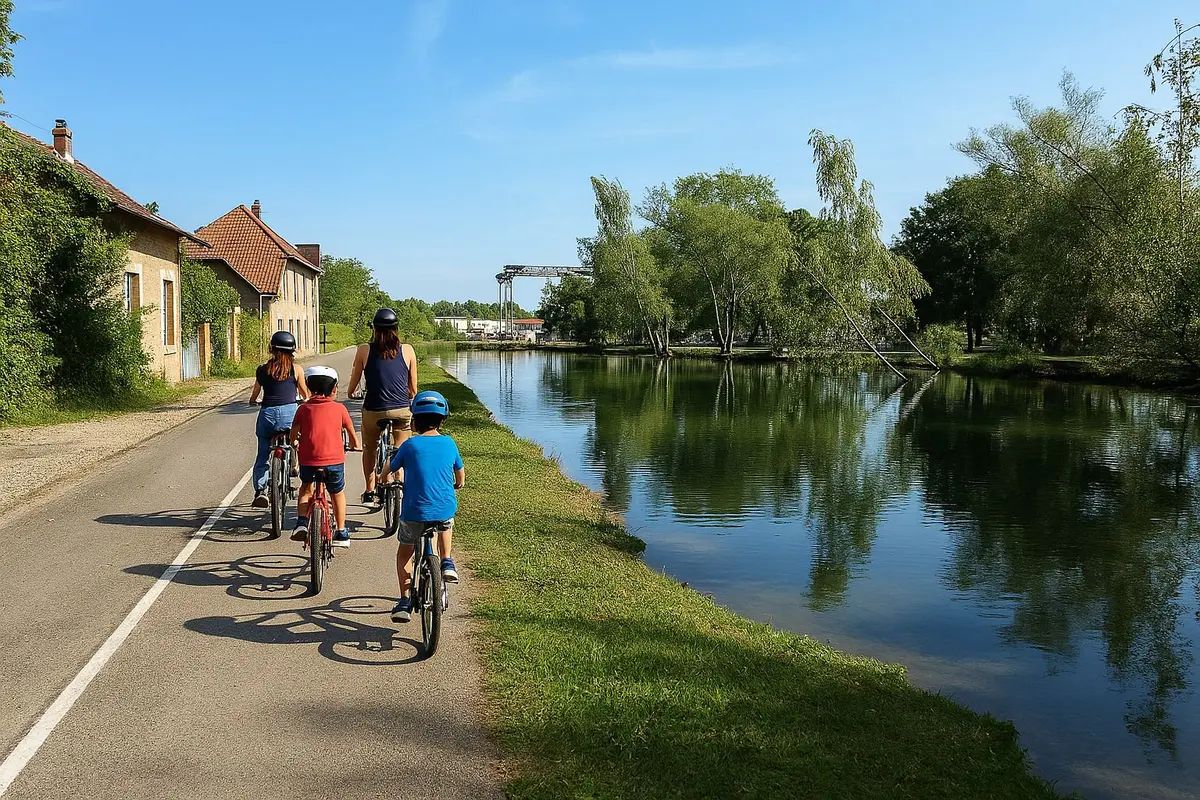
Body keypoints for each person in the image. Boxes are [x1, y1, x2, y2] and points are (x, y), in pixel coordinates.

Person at [379, 390, 464, 623]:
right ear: (442, 420)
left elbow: (391, 466)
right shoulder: (449, 443)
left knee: (405, 552)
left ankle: (404, 600)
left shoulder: (409, 445)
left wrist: (383, 479)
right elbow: (460, 475)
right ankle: (446, 560)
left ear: (414, 421)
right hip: (443, 508)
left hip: (414, 512)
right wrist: (458, 484)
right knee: (446, 522)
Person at [348, 308, 418, 507]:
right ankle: (398, 478)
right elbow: (413, 388)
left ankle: (370, 491)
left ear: (374, 329)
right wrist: (408, 396)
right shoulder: (408, 350)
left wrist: (352, 393)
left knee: (369, 448)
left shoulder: (364, 350)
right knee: (400, 447)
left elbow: (353, 384)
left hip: (373, 409)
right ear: (396, 329)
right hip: (401, 409)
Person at [289, 365, 361, 547]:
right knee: (336, 493)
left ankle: (301, 522)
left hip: (308, 460)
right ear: (334, 389)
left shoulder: (303, 409)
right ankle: (341, 531)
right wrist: (355, 445)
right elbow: (351, 432)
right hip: (334, 461)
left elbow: (294, 432)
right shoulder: (340, 409)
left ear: (308, 386)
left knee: (306, 488)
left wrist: (294, 441)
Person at [248, 331, 308, 508]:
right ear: (292, 351)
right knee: (297, 438)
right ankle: (295, 464)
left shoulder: (262, 369)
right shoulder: (296, 369)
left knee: (263, 454)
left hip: (267, 415)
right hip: (289, 415)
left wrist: (253, 401)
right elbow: (305, 394)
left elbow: (255, 394)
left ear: (272, 349)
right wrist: (303, 400)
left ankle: (261, 491)